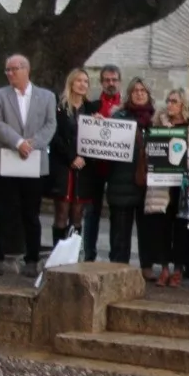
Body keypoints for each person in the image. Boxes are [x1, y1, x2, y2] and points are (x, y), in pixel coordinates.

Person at [0, 54, 57, 277]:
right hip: (4, 161)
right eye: (7, 70)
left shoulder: (46, 96)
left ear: (26, 69)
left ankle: (32, 259)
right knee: (0, 211)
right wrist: (18, 143)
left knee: (31, 213)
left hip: (33, 162)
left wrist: (31, 144)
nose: (9, 73)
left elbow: (50, 124)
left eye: (13, 69)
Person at [143, 88, 189, 287]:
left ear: (184, 105)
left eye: (174, 101)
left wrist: (185, 156)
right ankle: (164, 269)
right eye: (168, 100)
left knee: (181, 228)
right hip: (162, 186)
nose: (169, 104)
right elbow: (149, 151)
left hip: (184, 185)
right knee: (161, 227)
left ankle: (178, 270)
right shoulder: (157, 124)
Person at [106, 78, 154, 274]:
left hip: (149, 184)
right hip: (121, 181)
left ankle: (146, 266)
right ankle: (118, 266)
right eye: (135, 90)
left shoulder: (157, 120)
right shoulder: (119, 118)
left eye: (143, 90)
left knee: (147, 230)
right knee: (120, 230)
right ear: (129, 94)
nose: (139, 93)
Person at [46, 69, 93, 245]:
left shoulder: (90, 108)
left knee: (77, 214)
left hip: (84, 167)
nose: (82, 84)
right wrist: (71, 156)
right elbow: (55, 135)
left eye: (86, 81)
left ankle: (73, 254)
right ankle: (57, 255)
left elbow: (95, 139)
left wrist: (83, 157)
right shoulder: (59, 107)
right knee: (61, 212)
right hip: (63, 166)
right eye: (79, 80)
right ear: (71, 83)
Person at [81, 65, 121, 262]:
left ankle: (116, 256)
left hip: (116, 168)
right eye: (107, 80)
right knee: (91, 212)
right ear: (101, 82)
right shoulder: (91, 105)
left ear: (119, 82)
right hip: (95, 166)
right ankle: (89, 254)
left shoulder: (124, 107)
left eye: (114, 80)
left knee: (117, 214)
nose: (111, 83)